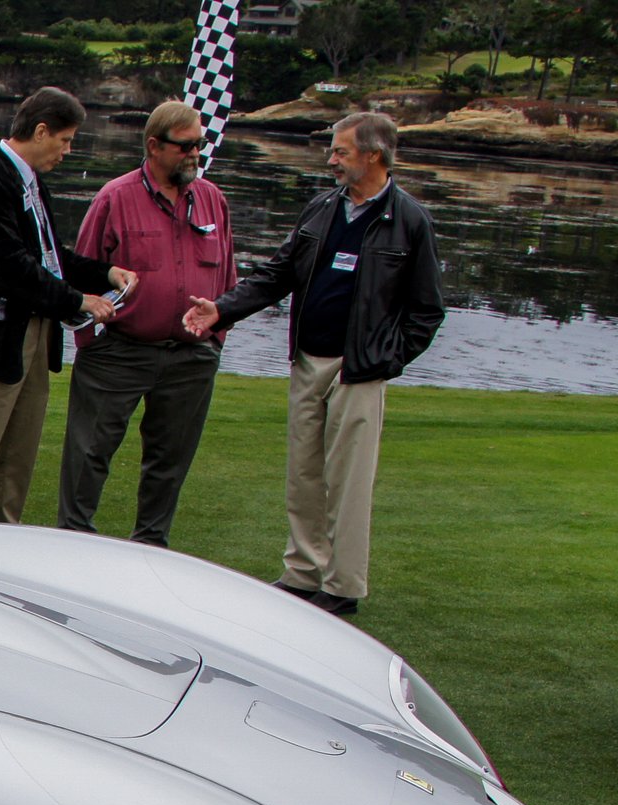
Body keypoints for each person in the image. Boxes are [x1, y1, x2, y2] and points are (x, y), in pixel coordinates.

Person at [185, 111, 444, 617]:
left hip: (359, 369)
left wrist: (385, 360)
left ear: (373, 155)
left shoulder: (410, 219)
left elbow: (427, 310)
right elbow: (279, 272)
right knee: (303, 471)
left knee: (348, 478)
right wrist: (223, 307)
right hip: (309, 358)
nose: (332, 160)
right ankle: (302, 572)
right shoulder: (323, 207)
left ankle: (343, 584)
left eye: (341, 152)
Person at [0, 87, 134, 525]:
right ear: (41, 130)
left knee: (15, 460)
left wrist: (106, 274)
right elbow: (9, 266)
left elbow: (50, 256)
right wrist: (78, 301)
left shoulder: (28, 180)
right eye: (66, 139)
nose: (68, 151)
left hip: (31, 333)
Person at [57, 101, 236, 548]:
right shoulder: (115, 198)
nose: (195, 154)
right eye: (186, 146)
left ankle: (151, 549)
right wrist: (90, 342)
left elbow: (228, 276)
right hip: (118, 352)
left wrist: (215, 338)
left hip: (191, 358)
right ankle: (72, 545)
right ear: (154, 146)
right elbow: (82, 270)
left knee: (170, 461)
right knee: (89, 454)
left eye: (200, 144)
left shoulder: (213, 198)